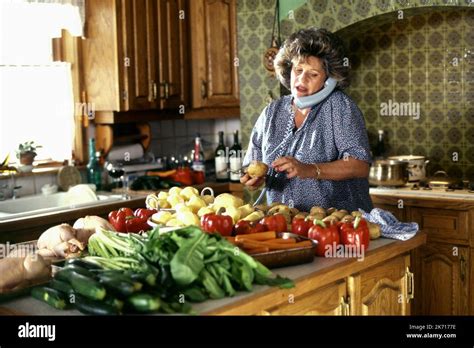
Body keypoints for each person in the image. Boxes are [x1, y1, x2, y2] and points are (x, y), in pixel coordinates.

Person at [240, 27, 373, 213]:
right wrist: (254, 180)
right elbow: (253, 164)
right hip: (286, 223)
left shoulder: (340, 107)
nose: (301, 79)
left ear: (330, 80)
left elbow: (359, 165)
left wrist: (309, 169)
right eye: (298, 69)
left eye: (313, 74)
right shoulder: (271, 112)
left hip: (337, 223)